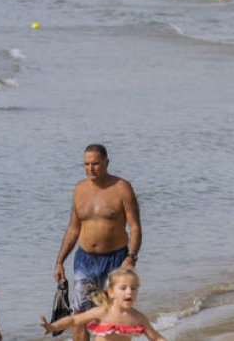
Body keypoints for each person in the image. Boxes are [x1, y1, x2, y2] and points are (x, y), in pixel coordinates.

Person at [55, 144, 142, 341]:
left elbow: (135, 227)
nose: (90, 169)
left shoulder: (122, 188)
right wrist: (60, 261)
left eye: (95, 164)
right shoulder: (79, 190)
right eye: (86, 164)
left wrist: (131, 257)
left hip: (116, 260)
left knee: (113, 317)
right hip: (84, 260)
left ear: (106, 163)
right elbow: (73, 228)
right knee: (79, 317)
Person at [40, 267, 166, 341]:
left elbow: (155, 337)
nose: (129, 292)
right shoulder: (103, 312)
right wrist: (52, 327)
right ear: (111, 292)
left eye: (133, 288)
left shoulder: (138, 318)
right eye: (123, 288)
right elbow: (74, 320)